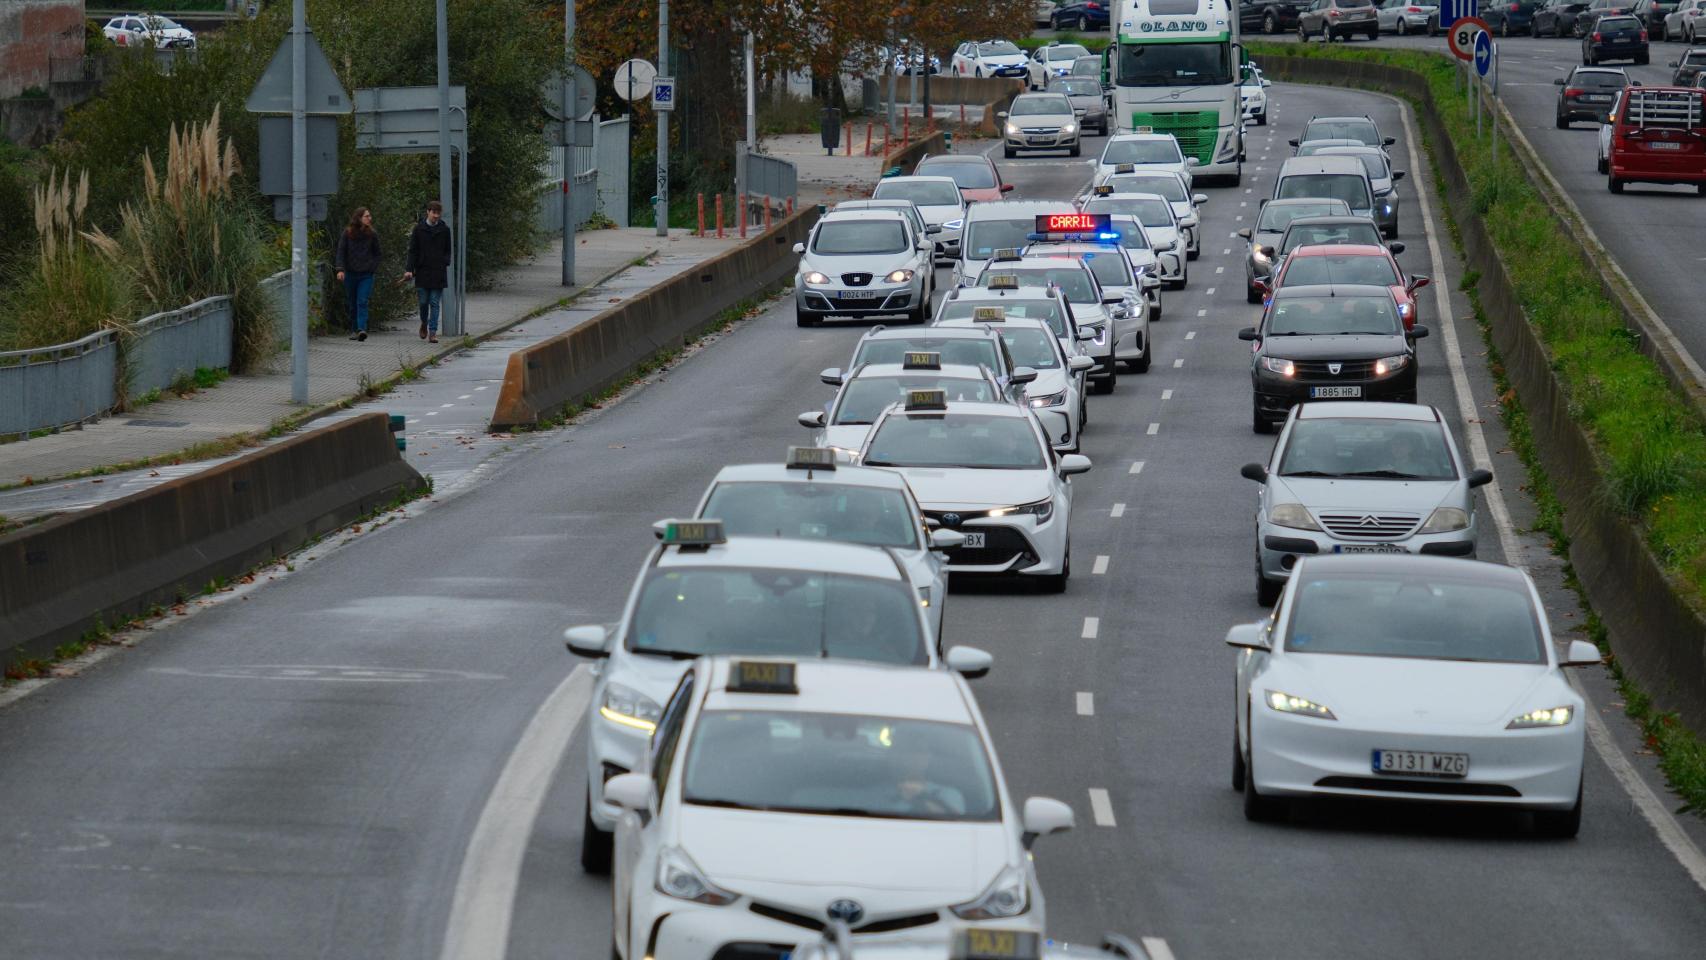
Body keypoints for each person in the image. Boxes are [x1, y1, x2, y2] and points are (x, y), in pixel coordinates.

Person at [404, 200, 452, 344]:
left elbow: (448, 250)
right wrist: (409, 269)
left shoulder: (445, 230)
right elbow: (413, 251)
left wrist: (445, 261)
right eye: (434, 213)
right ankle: (424, 322)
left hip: (438, 271)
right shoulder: (419, 229)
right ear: (428, 212)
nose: (436, 216)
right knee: (423, 302)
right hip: (422, 271)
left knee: (434, 303)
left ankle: (432, 332)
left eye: (438, 213)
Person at [334, 207, 381, 342]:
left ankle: (361, 328)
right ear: (359, 218)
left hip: (366, 274)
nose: (369, 218)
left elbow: (378, 254)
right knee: (352, 302)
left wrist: (372, 267)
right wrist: (340, 269)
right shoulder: (347, 233)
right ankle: (354, 329)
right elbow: (341, 252)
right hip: (351, 273)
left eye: (369, 216)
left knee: (362, 301)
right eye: (367, 216)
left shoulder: (372, 234)